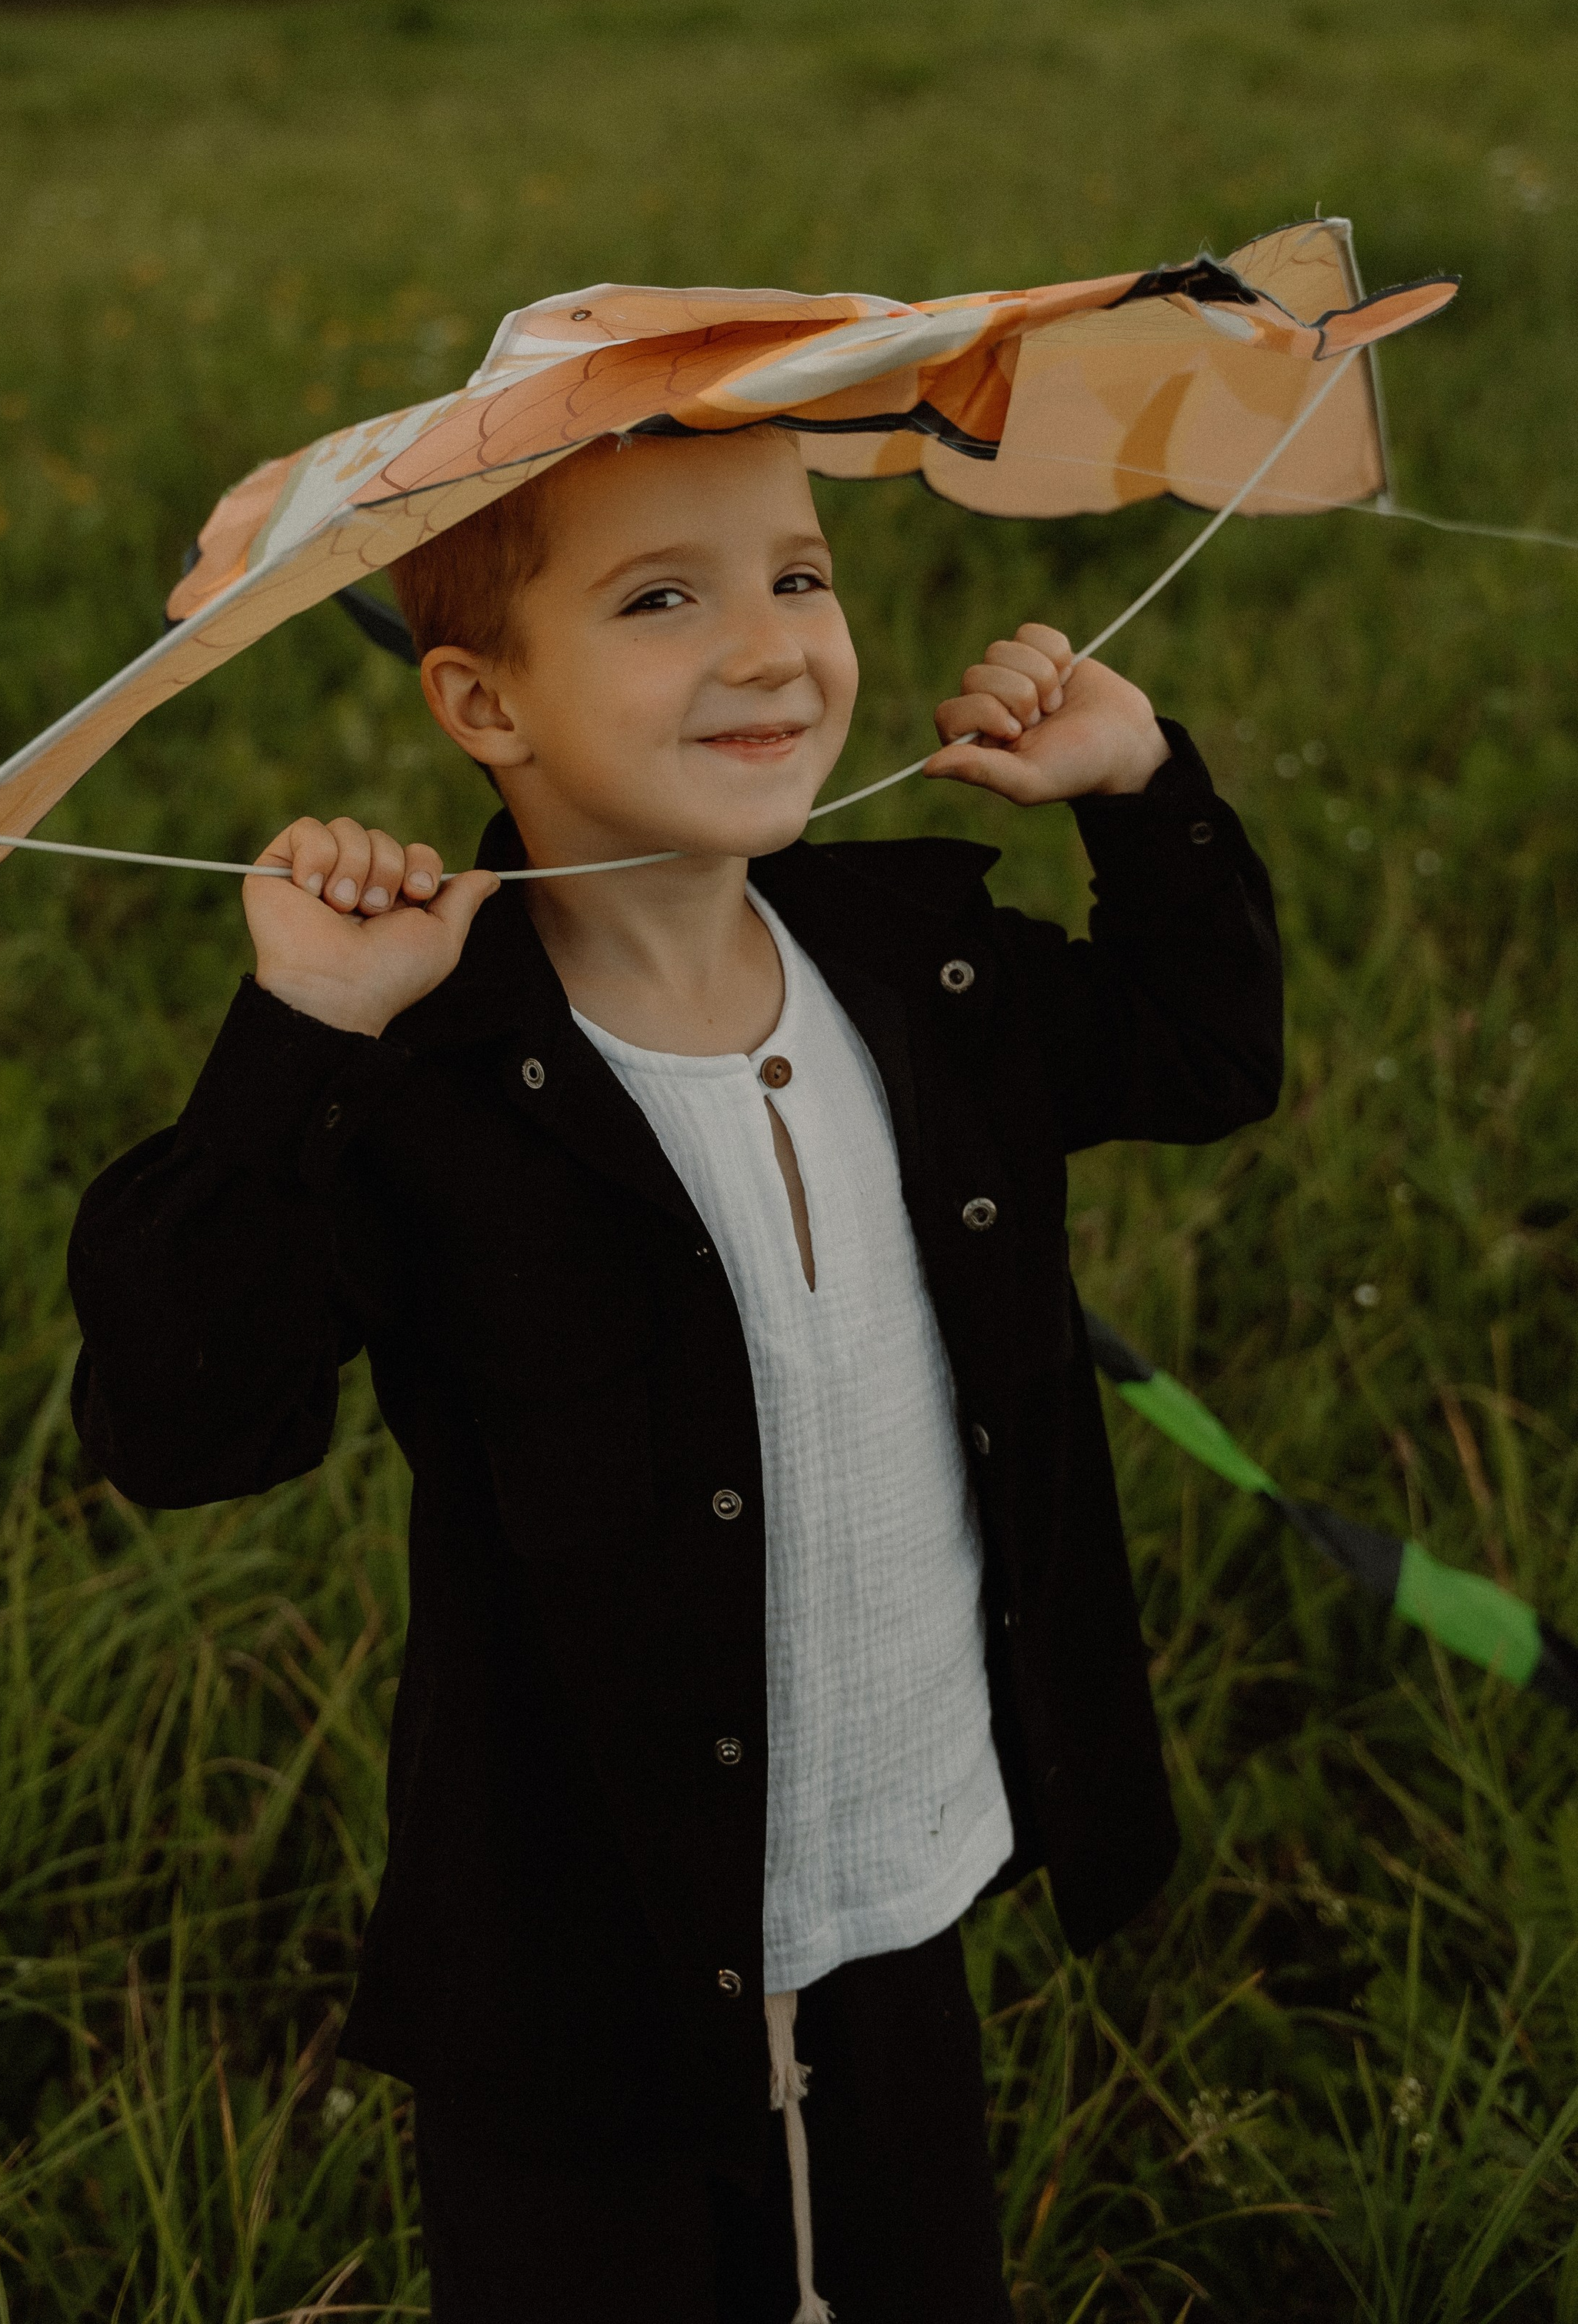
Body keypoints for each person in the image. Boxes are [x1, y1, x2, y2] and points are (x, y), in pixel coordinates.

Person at [67, 421, 1283, 2322]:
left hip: (897, 1874)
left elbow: (1203, 1057)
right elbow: (185, 1422)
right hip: (582, 1962)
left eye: (797, 575)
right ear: (479, 700)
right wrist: (301, 1036)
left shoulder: (923, 969)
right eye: (660, 600)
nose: (770, 646)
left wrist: (1133, 789)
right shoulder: (433, 1076)